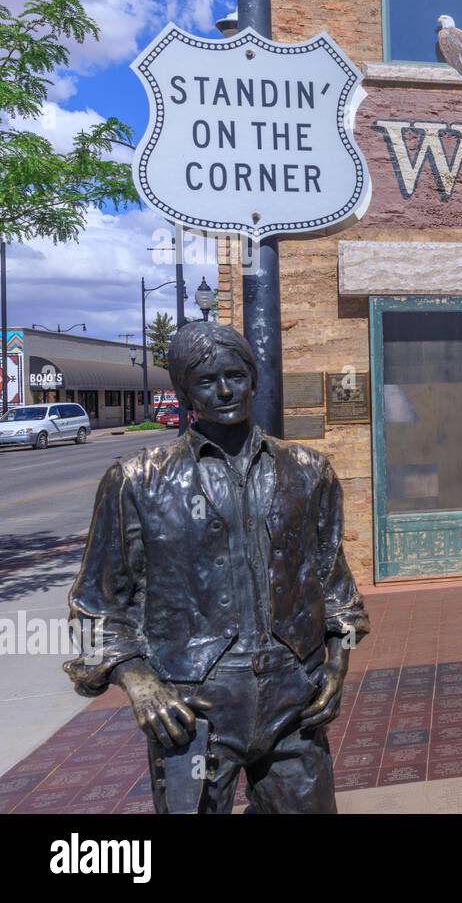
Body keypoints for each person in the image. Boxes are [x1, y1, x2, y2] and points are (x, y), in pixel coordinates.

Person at [64, 322, 369, 814]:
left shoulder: (308, 471)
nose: (225, 390)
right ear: (185, 392)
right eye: (206, 380)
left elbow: (335, 588)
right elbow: (97, 605)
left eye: (235, 375)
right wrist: (139, 682)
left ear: (254, 379)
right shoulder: (138, 481)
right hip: (191, 708)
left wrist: (337, 664)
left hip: (294, 700)